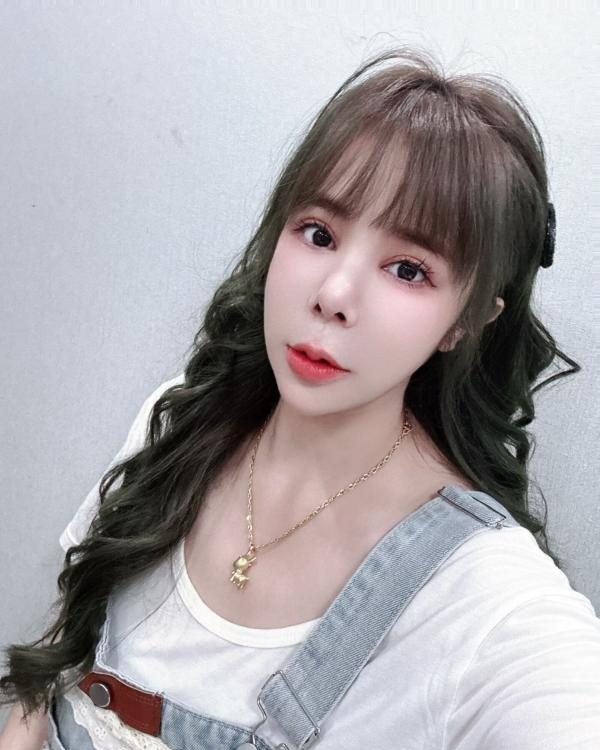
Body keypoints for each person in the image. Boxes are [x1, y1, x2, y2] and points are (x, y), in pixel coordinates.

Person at [1, 45, 599, 750]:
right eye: (319, 233)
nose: (334, 293)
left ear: (465, 320)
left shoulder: (483, 601)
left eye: (408, 269)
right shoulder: (181, 421)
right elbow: (60, 652)